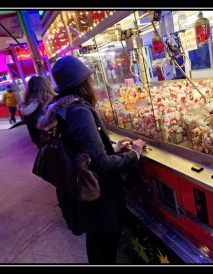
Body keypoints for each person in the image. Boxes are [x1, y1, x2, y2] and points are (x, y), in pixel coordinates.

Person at [37, 55, 145, 264]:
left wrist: (112, 148)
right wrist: (135, 154)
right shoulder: (79, 111)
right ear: (83, 82)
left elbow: (78, 149)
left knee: (96, 242)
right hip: (96, 195)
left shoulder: (61, 108)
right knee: (104, 245)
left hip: (76, 189)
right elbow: (102, 164)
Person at [20, 76, 57, 148]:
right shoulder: (51, 103)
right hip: (60, 146)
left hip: (43, 147)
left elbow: (33, 135)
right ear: (46, 86)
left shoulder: (25, 107)